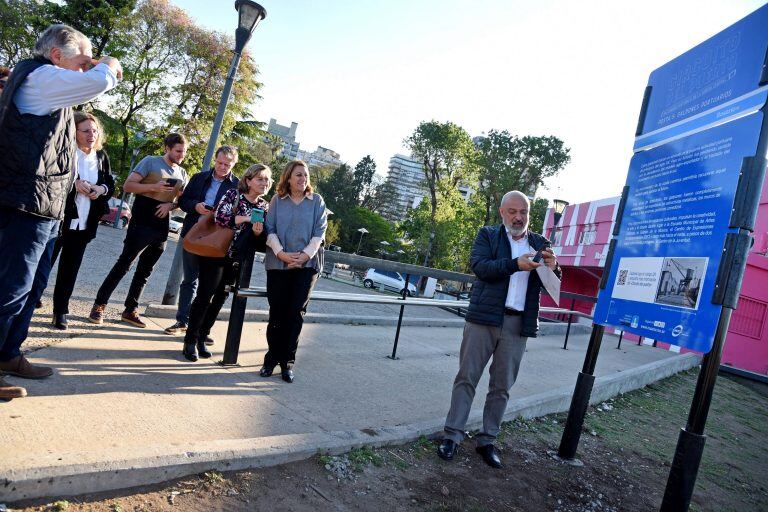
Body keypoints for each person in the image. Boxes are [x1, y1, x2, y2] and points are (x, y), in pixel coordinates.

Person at [0, 24, 121, 400]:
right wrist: (108, 63)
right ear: (57, 56)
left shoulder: (50, 88)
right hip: (25, 206)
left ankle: (9, 355)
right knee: (10, 290)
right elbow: (103, 81)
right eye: (82, 62)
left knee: (31, 290)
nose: (86, 70)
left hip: (45, 207)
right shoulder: (40, 76)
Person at [436, 190, 561, 468]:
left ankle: (487, 440)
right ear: (502, 212)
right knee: (467, 377)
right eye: (513, 212)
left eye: (524, 212)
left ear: (529, 215)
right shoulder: (488, 235)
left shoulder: (540, 243)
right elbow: (481, 267)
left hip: (518, 323)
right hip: (483, 319)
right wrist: (515, 265)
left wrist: (555, 267)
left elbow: (551, 282)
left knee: (502, 386)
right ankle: (452, 436)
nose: (519, 217)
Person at [89, 133, 187, 328]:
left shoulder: (183, 173)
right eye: (178, 151)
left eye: (184, 152)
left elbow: (183, 200)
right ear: (167, 148)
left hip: (162, 222)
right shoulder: (150, 162)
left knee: (146, 270)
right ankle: (99, 305)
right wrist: (154, 186)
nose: (181, 155)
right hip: (143, 216)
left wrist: (171, 206)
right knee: (125, 263)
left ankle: (130, 309)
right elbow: (128, 185)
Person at [182, 164, 272, 362]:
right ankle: (190, 339)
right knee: (205, 295)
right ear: (248, 180)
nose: (264, 183)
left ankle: (202, 336)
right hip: (216, 252)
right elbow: (221, 218)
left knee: (221, 297)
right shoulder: (233, 194)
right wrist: (246, 218)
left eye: (267, 180)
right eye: (260, 179)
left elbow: (260, 238)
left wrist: (258, 231)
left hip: (238, 257)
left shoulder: (264, 206)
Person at [260, 160, 328, 383]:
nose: (303, 179)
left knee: (295, 313)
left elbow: (319, 232)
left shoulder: (316, 201)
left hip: (306, 266)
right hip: (279, 264)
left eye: (305, 175)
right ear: (288, 178)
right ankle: (271, 359)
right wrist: (281, 254)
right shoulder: (278, 201)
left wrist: (304, 256)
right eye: (298, 175)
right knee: (277, 313)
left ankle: (287, 363)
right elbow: (269, 229)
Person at [164, 145, 240, 337]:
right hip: (192, 235)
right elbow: (183, 201)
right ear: (215, 160)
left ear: (234, 164)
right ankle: (182, 321)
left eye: (227, 164)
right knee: (189, 280)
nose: (223, 167)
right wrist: (196, 206)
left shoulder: (237, 186)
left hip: (217, 240)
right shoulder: (199, 177)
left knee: (208, 287)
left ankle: (197, 327)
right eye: (220, 163)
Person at [50, 112, 114, 330]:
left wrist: (100, 189)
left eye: (94, 130)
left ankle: (60, 311)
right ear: (74, 132)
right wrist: (74, 183)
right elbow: (53, 175)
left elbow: (110, 184)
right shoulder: (66, 150)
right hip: (59, 219)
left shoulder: (101, 156)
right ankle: (30, 299)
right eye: (85, 130)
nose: (91, 135)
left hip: (85, 223)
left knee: (70, 269)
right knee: (44, 264)